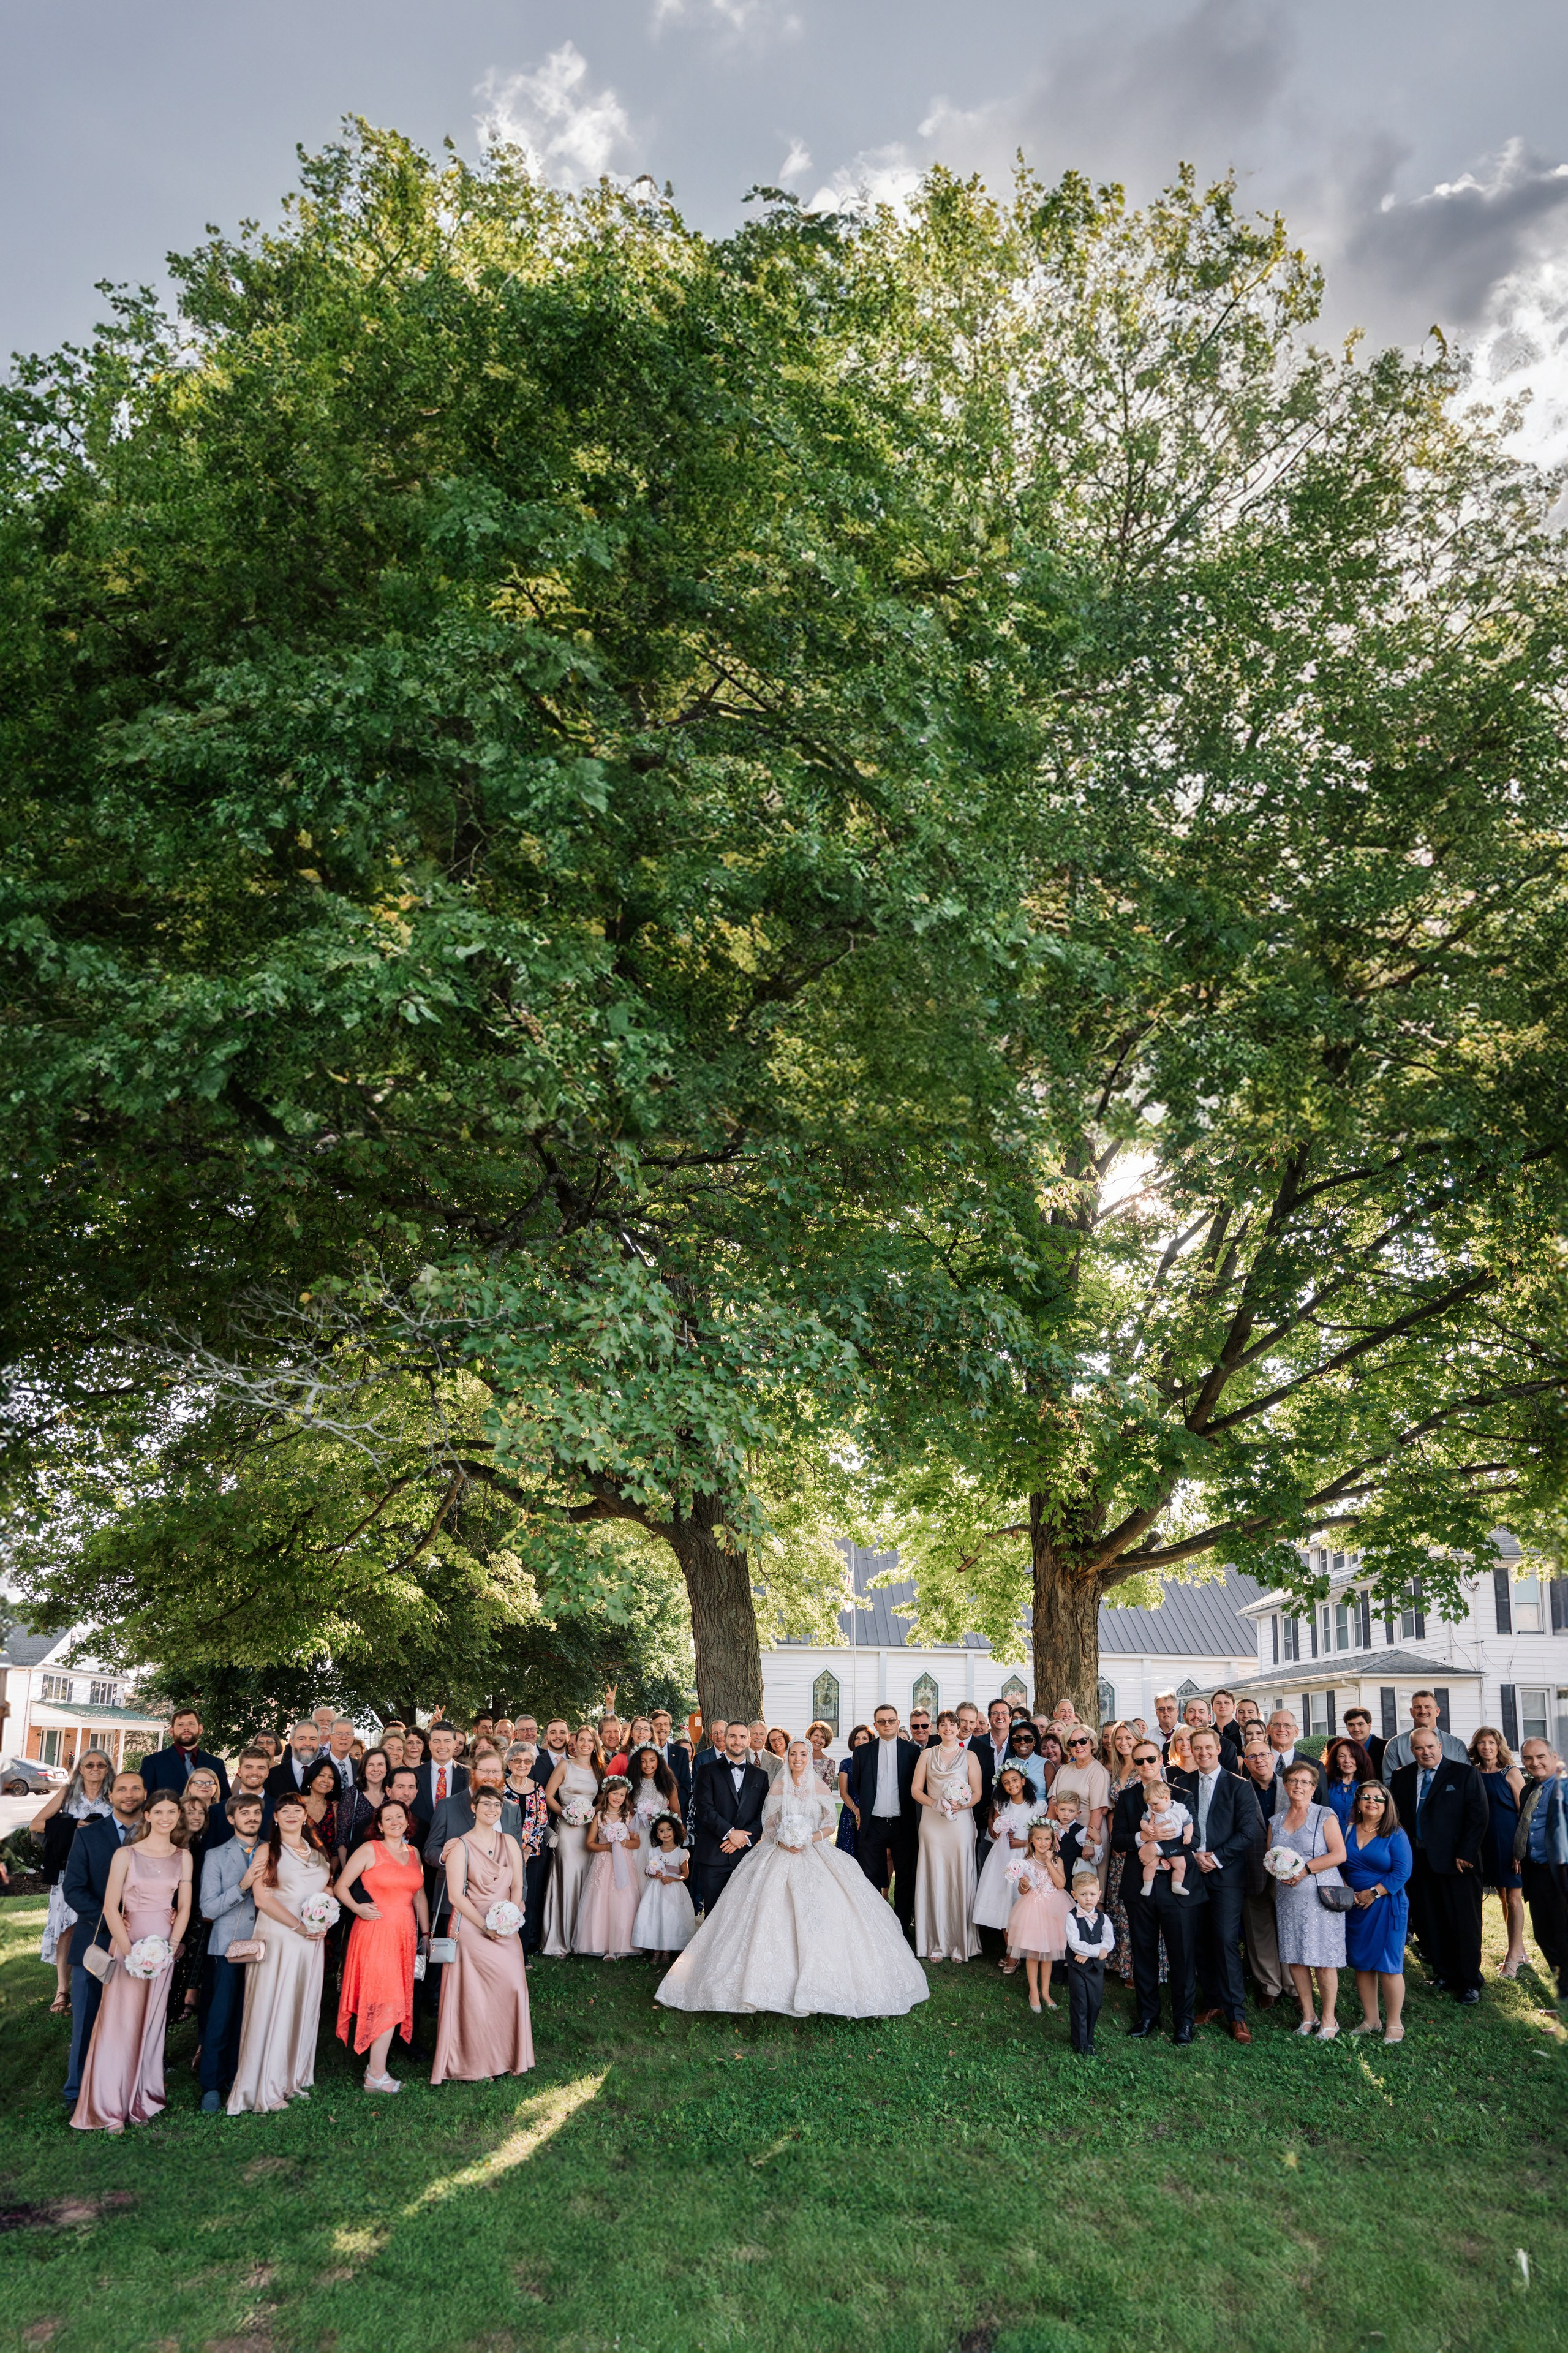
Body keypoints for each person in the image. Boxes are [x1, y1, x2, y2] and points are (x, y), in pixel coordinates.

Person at [656, 1740, 929, 2017]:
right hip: (779, 1852)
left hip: (814, 1853)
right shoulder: (778, 1786)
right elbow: (769, 1825)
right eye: (794, 1754)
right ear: (787, 1757)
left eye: (803, 1754)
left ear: (809, 1758)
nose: (798, 1759)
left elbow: (829, 1824)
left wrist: (809, 1838)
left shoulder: (821, 1787)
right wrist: (782, 1840)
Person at [71, 1787, 192, 2132]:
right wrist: (129, 1951)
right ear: (148, 1816)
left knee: (151, 2024)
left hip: (163, 1950)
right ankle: (109, 2107)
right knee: (118, 2024)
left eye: (173, 1813)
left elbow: (182, 1908)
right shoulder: (126, 1854)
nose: (167, 1818)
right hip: (129, 1945)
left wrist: (171, 1946)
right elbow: (111, 1907)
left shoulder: (183, 1857)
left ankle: (143, 2096)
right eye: (160, 1812)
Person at [226, 1792, 334, 2113]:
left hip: (310, 1941)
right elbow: (262, 1899)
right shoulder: (266, 1850)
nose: (290, 1815)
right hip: (279, 1936)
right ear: (275, 1817)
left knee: (301, 2004)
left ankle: (291, 2079)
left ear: (305, 1816)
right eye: (283, 1810)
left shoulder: (316, 1851)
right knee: (274, 2006)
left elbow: (326, 1887)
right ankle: (265, 2088)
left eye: (296, 1810)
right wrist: (299, 1926)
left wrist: (324, 1915)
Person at [431, 1785, 535, 2085]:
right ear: (474, 1808)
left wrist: (509, 1919)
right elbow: (455, 1896)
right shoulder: (459, 1846)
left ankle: (506, 2056)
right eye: (485, 1805)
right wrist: (485, 1927)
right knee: (475, 1997)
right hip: (472, 1927)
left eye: (497, 1805)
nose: (492, 1810)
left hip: (505, 1927)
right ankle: (474, 2063)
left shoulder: (510, 1843)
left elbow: (517, 1885)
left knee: (513, 1986)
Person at [60, 1770, 146, 2109]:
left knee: (133, 2020)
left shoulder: (158, 1835)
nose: (129, 1794)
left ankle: (127, 2084)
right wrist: (113, 1921)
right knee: (87, 2019)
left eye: (136, 1788)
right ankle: (76, 2091)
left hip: (144, 1943)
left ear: (144, 1794)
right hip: (96, 1940)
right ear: (111, 1795)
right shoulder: (89, 1835)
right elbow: (74, 1889)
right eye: (122, 1789)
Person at [1112, 1737, 1207, 2043]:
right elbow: (1118, 1840)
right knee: (1144, 1952)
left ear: (1161, 1759)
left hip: (1177, 1885)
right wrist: (1142, 1839)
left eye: (1151, 1759)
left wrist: (1159, 1850)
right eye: (1139, 1761)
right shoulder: (1127, 1798)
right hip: (1140, 1886)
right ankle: (1148, 2015)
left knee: (1181, 1955)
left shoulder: (1182, 1794)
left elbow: (1193, 1839)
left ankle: (1184, 2021)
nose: (1145, 1766)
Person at [334, 1795, 429, 2093]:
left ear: (407, 1821)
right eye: (388, 1818)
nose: (395, 1822)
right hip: (375, 1932)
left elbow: (419, 1896)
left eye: (399, 1817)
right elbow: (340, 1886)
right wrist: (358, 1908)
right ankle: (376, 2075)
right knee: (386, 1998)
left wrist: (425, 1934)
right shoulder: (369, 1850)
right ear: (379, 1824)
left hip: (405, 1933)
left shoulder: (413, 1853)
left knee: (396, 1997)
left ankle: (375, 2068)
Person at [1390, 1727, 1488, 2003]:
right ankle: (1444, 1973)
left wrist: (1466, 1853)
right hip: (1418, 1862)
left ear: (1440, 1746)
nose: (1426, 1752)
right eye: (1420, 1748)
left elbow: (1478, 1816)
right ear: (1413, 1751)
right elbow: (1396, 1818)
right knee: (1429, 1920)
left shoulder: (1464, 1774)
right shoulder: (1402, 1777)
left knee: (1464, 1922)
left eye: (1431, 1747)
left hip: (1457, 1862)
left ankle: (1470, 1982)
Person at [1186, 1726, 1262, 2043]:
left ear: (1218, 1749)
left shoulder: (1239, 1786)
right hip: (1192, 1872)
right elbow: (1175, 1826)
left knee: (1226, 1940)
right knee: (1201, 1940)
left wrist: (1215, 1858)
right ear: (1191, 1751)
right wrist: (1193, 1855)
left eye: (1208, 1747)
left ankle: (1237, 2015)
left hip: (1226, 1874)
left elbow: (1248, 1833)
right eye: (1197, 1748)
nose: (1203, 1753)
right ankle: (1213, 2002)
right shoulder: (1182, 1785)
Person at [198, 1789, 267, 2112]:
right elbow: (208, 1909)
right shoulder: (216, 1856)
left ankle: (242, 2077)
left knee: (251, 2016)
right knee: (221, 2017)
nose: (252, 1818)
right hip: (228, 1949)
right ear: (231, 1819)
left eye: (256, 1813)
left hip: (267, 1946)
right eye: (245, 1813)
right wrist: (242, 1886)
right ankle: (211, 2086)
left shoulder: (273, 1852)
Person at [32, 1748, 113, 2014]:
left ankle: (99, 1983)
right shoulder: (68, 1795)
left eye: (101, 1766)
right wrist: (73, 1825)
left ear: (107, 1769)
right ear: (80, 1769)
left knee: (100, 1925)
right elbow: (36, 1824)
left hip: (105, 1871)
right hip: (71, 1870)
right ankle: (62, 1991)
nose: (95, 1770)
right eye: (89, 1765)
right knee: (67, 1929)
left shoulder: (114, 1796)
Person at [1272, 1758, 1349, 2038]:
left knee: (1323, 1958)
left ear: (1314, 1788)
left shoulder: (1324, 1815)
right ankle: (1308, 2015)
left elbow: (1339, 1854)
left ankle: (1329, 2018)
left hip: (1320, 1897)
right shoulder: (1276, 1820)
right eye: (1293, 1781)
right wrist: (1277, 1871)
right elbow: (1271, 1857)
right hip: (1288, 1897)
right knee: (1295, 1957)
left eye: (1305, 1782)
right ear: (1285, 1784)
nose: (1299, 1786)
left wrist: (1305, 1869)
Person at [1341, 1781, 1412, 2044]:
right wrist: (1349, 1891)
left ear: (1386, 1805)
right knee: (1362, 1963)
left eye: (1378, 1799)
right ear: (1358, 1802)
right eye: (1366, 1797)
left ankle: (1395, 2023)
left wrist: (1372, 1893)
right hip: (1355, 1906)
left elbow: (1402, 1872)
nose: (1372, 1802)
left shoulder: (1395, 1834)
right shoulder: (1347, 1830)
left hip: (1386, 1904)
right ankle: (1371, 2019)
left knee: (1389, 1965)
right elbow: (1339, 1864)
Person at [911, 1709, 981, 1963]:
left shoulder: (970, 1756)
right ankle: (935, 1942)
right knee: (935, 1876)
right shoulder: (927, 1755)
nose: (949, 1729)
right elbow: (916, 1790)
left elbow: (977, 1793)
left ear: (959, 1727)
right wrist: (934, 1804)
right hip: (932, 1823)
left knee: (958, 1877)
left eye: (953, 1724)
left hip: (961, 1824)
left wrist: (961, 1805)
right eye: (943, 1725)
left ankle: (960, 1944)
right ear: (937, 1729)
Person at [848, 1704, 923, 1939]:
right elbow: (860, 1785)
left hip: (903, 1823)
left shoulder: (912, 1752)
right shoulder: (863, 1752)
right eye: (882, 1721)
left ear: (898, 1721)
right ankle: (873, 1926)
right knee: (870, 1876)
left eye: (891, 1720)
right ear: (876, 1725)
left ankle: (901, 1928)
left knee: (904, 1877)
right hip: (874, 1823)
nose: (887, 1725)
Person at [690, 1722, 771, 1919]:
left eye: (743, 1737)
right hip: (714, 1854)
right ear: (725, 1739)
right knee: (714, 1914)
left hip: (747, 1856)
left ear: (750, 1741)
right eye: (733, 1736)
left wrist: (742, 1840)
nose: (738, 1741)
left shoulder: (761, 1776)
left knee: (742, 1916)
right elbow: (704, 1809)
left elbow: (764, 1813)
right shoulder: (707, 1771)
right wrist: (730, 1834)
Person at [541, 1725, 606, 1954]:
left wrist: (590, 1812)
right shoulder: (564, 1765)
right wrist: (565, 1814)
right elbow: (548, 1795)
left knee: (589, 1879)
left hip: (589, 1829)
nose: (586, 1744)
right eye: (581, 1740)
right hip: (567, 1830)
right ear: (575, 1743)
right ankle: (561, 1939)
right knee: (567, 1877)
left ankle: (583, 1939)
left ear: (595, 1744)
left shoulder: (599, 1769)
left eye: (590, 1740)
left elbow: (602, 1801)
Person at [1469, 1726, 1527, 1977]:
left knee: (1514, 1899)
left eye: (1491, 1742)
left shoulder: (1511, 1772)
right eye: (1481, 1743)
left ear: (1499, 1745)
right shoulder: (1472, 1773)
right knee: (1503, 1897)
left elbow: (1525, 1814)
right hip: (1484, 1845)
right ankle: (1521, 1950)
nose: (1487, 1747)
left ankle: (1512, 1958)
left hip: (1509, 1844)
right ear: (1476, 1747)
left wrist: (1520, 1851)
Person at [1515, 1737, 1568, 2006]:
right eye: (1527, 1758)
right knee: (1544, 1936)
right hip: (1536, 1875)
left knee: (1563, 1939)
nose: (1534, 1763)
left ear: (1554, 1756)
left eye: (1540, 1757)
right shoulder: (1528, 1790)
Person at [973, 1763, 1036, 1959]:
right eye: (1006, 1783)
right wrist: (1001, 1830)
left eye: (1015, 1780)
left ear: (1024, 1781)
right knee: (1004, 1906)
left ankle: (1021, 1953)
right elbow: (997, 1832)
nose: (1011, 1785)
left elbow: (1043, 1836)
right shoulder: (1002, 1806)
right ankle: (1011, 1953)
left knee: (1021, 1905)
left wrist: (1022, 1842)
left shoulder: (1037, 1806)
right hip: (1003, 1858)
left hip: (1025, 1858)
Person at [1005, 1820, 1069, 2013]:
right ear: (1031, 1840)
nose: (1043, 1843)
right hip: (1033, 1911)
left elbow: (1061, 1884)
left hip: (1054, 1910)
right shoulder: (1026, 1863)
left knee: (1048, 1954)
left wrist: (1049, 1863)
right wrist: (1024, 1883)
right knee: (1033, 1954)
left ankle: (1046, 1992)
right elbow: (1023, 1891)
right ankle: (1034, 1991)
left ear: (1052, 1840)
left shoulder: (1057, 1861)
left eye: (1047, 1839)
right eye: (1039, 1839)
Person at [575, 1775, 641, 1957]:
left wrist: (622, 1843)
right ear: (607, 1794)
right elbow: (589, 1843)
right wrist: (608, 1846)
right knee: (601, 1900)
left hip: (624, 1863)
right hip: (604, 1863)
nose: (618, 1798)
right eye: (614, 1794)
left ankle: (622, 1944)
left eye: (622, 1795)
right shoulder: (599, 1817)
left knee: (623, 1900)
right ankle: (599, 1943)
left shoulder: (629, 1817)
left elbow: (637, 1842)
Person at [505, 1745, 553, 1953]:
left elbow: (542, 1822)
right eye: (517, 1760)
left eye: (527, 1761)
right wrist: (512, 1851)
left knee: (528, 1900)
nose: (522, 1765)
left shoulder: (537, 1789)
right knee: (506, 1897)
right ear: (509, 1764)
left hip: (531, 1855)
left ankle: (525, 1948)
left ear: (532, 1764)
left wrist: (527, 1850)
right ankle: (504, 1942)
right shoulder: (500, 1788)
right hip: (504, 1854)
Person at [1064, 1867, 1116, 2054]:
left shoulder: (1104, 1919)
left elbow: (1109, 1942)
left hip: (1096, 1970)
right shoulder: (1071, 1918)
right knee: (1080, 2004)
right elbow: (1075, 1944)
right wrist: (1096, 1951)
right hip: (1078, 1969)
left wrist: (1090, 1953)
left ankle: (1089, 2038)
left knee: (1095, 2003)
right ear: (1074, 1894)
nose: (1088, 1898)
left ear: (1099, 1894)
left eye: (1092, 1894)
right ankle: (1080, 2043)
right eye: (1083, 1894)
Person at [1052, 1726, 1112, 1884]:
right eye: (1072, 1743)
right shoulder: (1063, 1770)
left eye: (1082, 1741)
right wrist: (1052, 1831)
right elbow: (1053, 1803)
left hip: (1089, 1834)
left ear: (1091, 1743)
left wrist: (1089, 1843)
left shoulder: (1098, 1771)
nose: (1078, 1746)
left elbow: (1098, 1811)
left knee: (1088, 1885)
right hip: (1063, 1836)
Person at [635, 1813, 696, 1961]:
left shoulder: (681, 1853)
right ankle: (656, 1948)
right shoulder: (653, 1852)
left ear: (674, 1831)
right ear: (657, 1834)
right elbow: (647, 1871)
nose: (666, 1833)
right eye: (661, 1831)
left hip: (673, 1890)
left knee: (671, 1917)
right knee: (656, 1916)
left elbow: (685, 1874)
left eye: (669, 1830)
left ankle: (668, 1949)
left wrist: (673, 1878)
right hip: (656, 1890)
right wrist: (653, 1874)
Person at [140, 1706, 232, 1803]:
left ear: (200, 1729)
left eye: (191, 1724)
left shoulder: (216, 1764)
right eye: (180, 1725)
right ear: (171, 1731)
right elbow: (144, 1801)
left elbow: (225, 1802)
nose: (186, 1728)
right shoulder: (153, 1762)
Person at [1382, 1691, 1469, 1777]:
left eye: (1428, 1707)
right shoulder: (1395, 1745)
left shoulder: (1457, 1745)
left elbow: (1465, 1778)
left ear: (1437, 1711)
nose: (1423, 1711)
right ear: (1411, 1712)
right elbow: (1390, 1782)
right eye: (1418, 1707)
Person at [968, 1699, 1016, 1845]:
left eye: (1004, 1713)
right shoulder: (976, 1744)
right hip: (978, 1812)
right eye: (995, 1713)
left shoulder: (1018, 1744)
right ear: (989, 1718)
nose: (1000, 1717)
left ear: (1010, 1718)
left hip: (1010, 1813)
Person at [1137, 1782, 1193, 1897]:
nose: (1153, 1807)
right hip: (1155, 1843)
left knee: (1181, 1865)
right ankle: (1147, 1885)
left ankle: (1177, 1885)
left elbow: (1188, 1823)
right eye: (1150, 1805)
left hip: (1174, 1845)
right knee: (1150, 1864)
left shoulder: (1179, 1809)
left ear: (1166, 1798)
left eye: (1155, 1804)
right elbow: (1143, 1821)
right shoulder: (1152, 1812)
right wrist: (1146, 1827)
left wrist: (1188, 1835)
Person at [414, 1721, 469, 1822]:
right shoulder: (414, 1775)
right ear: (430, 1745)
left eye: (447, 1741)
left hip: (457, 1836)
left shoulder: (470, 1775)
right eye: (437, 1741)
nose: (442, 1746)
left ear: (455, 1744)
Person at [1321, 1737, 1375, 1834]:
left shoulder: (1369, 1787)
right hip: (1329, 1836)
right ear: (1336, 1760)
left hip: (1359, 1838)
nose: (1347, 1761)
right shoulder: (1325, 1784)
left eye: (1352, 1756)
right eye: (1342, 1756)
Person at [1265, 1712, 1325, 1800]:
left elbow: (1322, 1804)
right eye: (1277, 1725)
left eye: (1288, 1725)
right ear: (1268, 1729)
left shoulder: (1315, 1766)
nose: (1282, 1729)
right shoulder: (1256, 1762)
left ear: (1296, 1732)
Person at [342, 1745, 392, 1849]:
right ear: (364, 1769)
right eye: (370, 1765)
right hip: (357, 1859)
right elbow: (342, 1838)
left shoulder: (391, 1795)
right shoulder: (352, 1794)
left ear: (387, 1768)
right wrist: (347, 1865)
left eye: (380, 1765)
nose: (376, 1769)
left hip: (387, 1859)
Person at [836, 1726, 872, 1858]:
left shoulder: (874, 1764)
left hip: (870, 1815)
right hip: (850, 1814)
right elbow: (844, 1792)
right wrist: (857, 1812)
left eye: (864, 1738)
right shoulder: (846, 1764)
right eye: (857, 1738)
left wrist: (865, 1814)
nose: (860, 1741)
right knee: (847, 1855)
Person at [649, 1709, 693, 1816]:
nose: (662, 1728)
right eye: (658, 1725)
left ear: (669, 1727)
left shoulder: (681, 1753)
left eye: (666, 1724)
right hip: (649, 1811)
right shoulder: (645, 1752)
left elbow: (685, 1785)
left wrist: (672, 1805)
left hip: (675, 1812)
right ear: (651, 1727)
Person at [1003, 1720, 1048, 1802]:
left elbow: (1053, 1799)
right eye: (1018, 1739)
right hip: (1011, 1812)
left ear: (1035, 1741)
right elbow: (999, 1796)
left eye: (1028, 1739)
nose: (1022, 1742)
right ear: (1012, 1742)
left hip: (1040, 1812)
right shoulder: (1007, 1764)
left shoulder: (1046, 1765)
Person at [1343, 1705, 1386, 1777]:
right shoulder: (1347, 1750)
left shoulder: (1385, 1747)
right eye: (1351, 1725)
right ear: (1347, 1727)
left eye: (1360, 1724)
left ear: (1369, 1725)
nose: (1356, 1729)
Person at [805, 1721, 836, 1791]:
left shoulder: (830, 1763)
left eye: (823, 1737)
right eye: (816, 1735)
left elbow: (827, 1791)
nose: (819, 1740)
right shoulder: (800, 1758)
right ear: (810, 1736)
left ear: (826, 1741)